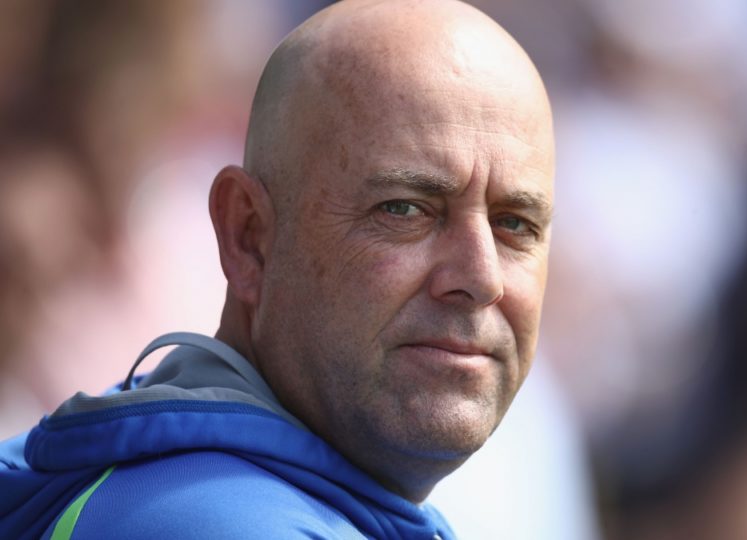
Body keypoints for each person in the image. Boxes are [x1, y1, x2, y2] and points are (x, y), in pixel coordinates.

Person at [0, 0, 555, 537]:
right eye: (405, 210)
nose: (482, 278)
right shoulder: (219, 524)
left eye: (515, 224)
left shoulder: (194, 482)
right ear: (248, 236)